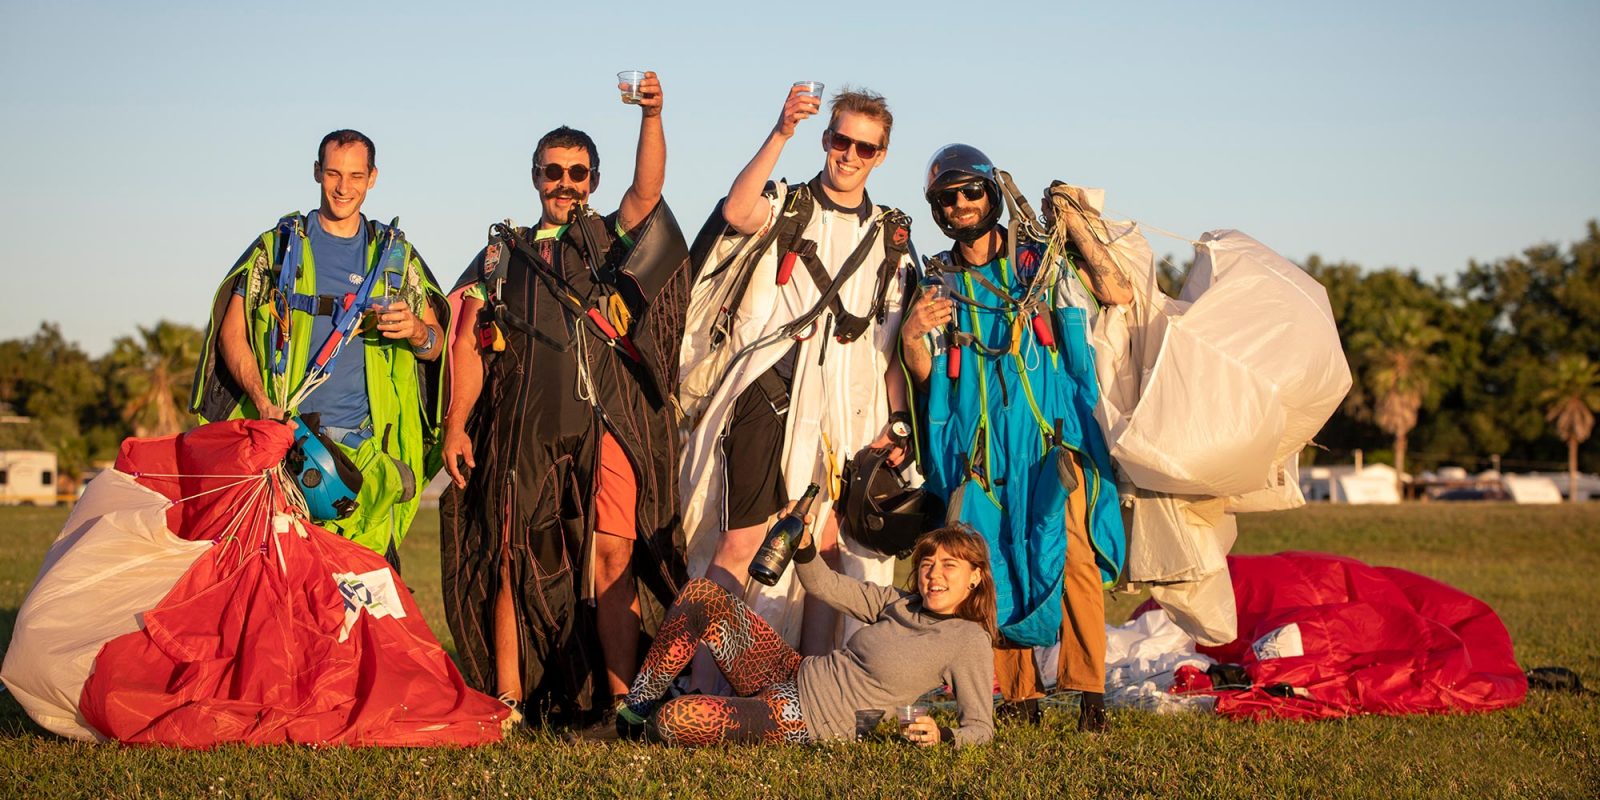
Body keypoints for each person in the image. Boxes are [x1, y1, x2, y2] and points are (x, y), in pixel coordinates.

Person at [438, 71, 691, 728]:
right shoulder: (499, 256)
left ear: (593, 182)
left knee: (614, 556)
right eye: (553, 172)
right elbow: (466, 340)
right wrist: (457, 425)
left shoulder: (609, 239)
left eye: (578, 173)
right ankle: (508, 703)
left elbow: (650, 191)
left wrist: (652, 116)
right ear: (534, 176)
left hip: (607, 421)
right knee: (512, 556)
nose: (564, 183)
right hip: (526, 423)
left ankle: (623, 703)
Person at [677, 87, 916, 677]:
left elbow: (885, 349)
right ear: (826, 139)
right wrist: (779, 131)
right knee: (741, 542)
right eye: (841, 139)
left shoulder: (893, 238)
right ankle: (704, 683)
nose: (850, 154)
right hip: (770, 391)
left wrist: (899, 422)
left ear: (882, 155)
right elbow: (735, 213)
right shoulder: (786, 205)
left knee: (827, 549)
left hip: (849, 413)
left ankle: (808, 693)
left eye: (866, 146)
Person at [899, 144, 1130, 732]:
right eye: (947, 198)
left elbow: (1115, 293)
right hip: (978, 450)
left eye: (971, 191)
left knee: (1071, 553)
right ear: (937, 210)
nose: (961, 205)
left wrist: (1075, 227)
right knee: (992, 565)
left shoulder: (1040, 263)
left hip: (1047, 436)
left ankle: (1090, 695)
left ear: (991, 194)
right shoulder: (936, 280)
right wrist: (912, 336)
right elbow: (926, 376)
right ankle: (1019, 697)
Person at [190, 129, 447, 569]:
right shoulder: (277, 249)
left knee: (365, 594)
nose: (343, 187)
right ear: (316, 172)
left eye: (355, 175)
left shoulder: (395, 258)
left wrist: (417, 332)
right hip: (286, 444)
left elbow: (436, 347)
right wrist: (261, 401)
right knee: (279, 590)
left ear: (373, 178)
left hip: (365, 451)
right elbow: (231, 334)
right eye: (333, 173)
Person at [614, 524, 996, 747]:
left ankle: (657, 717)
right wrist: (806, 545)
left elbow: (981, 727)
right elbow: (824, 585)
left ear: (975, 576)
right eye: (928, 564)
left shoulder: (967, 639)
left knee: (677, 720)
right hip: (791, 670)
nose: (934, 575)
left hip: (807, 719)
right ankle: (633, 713)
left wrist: (943, 735)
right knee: (702, 596)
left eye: (950, 565)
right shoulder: (898, 601)